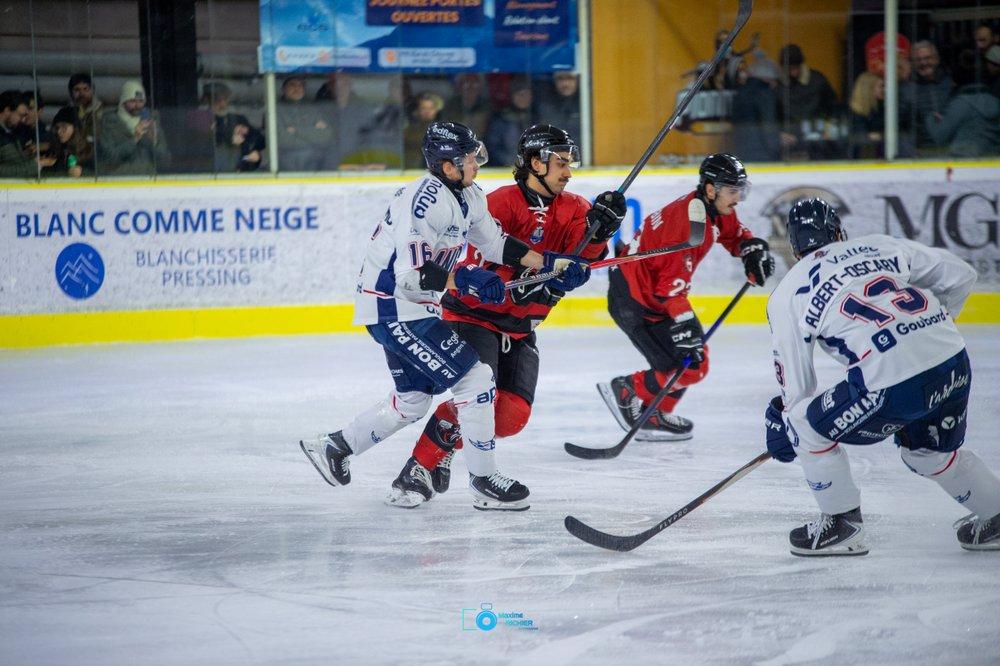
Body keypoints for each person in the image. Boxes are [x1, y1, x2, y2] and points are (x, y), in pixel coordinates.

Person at [299, 121, 591, 511]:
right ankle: (483, 481)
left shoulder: (469, 195)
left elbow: (497, 244)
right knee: (476, 380)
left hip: (413, 308)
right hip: (394, 308)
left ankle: (334, 447)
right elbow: (409, 276)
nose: (477, 164)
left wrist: (551, 263)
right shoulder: (423, 201)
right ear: (448, 165)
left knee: (413, 401)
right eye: (470, 159)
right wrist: (465, 278)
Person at [384, 124, 626, 507]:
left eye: (570, 163)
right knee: (479, 400)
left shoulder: (577, 208)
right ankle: (417, 469)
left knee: (511, 417)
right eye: (561, 163)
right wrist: (525, 278)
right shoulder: (499, 203)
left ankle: (445, 446)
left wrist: (599, 233)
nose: (568, 172)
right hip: (474, 318)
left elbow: (580, 261)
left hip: (521, 327)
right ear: (535, 163)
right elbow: (472, 261)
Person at [763, 198, 1000, 555]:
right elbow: (961, 274)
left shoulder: (787, 293)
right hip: (952, 359)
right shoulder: (879, 244)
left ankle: (842, 524)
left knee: (801, 422)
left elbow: (798, 389)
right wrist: (930, 328)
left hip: (894, 382)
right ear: (839, 233)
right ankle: (996, 515)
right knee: (927, 453)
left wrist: (788, 430)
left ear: (794, 249)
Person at [598, 154, 774, 441]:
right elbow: (670, 289)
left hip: (647, 293)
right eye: (733, 191)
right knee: (689, 365)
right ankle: (628, 388)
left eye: (740, 190)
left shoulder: (708, 207)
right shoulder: (688, 229)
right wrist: (686, 324)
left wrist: (750, 249)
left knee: (693, 361)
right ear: (711, 189)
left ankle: (654, 414)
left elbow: (733, 234)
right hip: (634, 300)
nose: (738, 198)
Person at [925, 50, 1000, 157]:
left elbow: (939, 137)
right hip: (992, 162)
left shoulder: (961, 104)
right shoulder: (995, 103)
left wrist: (931, 118)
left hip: (964, 161)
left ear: (957, 80)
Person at [776, 43, 840, 157]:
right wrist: (779, 133)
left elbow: (834, 107)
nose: (793, 72)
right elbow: (775, 115)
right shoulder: (779, 87)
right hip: (791, 141)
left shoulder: (818, 81)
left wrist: (829, 129)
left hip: (818, 139)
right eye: (789, 69)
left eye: (796, 68)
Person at [97, 79, 170, 175]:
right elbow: (109, 159)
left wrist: (154, 142)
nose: (137, 105)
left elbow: (165, 162)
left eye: (141, 101)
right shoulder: (109, 123)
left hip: (148, 180)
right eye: (132, 101)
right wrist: (134, 139)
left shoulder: (151, 121)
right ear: (123, 101)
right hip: (119, 180)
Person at [731, 53, 782, 162]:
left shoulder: (739, 93)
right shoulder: (765, 93)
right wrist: (777, 142)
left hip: (742, 153)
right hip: (764, 155)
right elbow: (768, 125)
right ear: (770, 78)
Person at [908, 41, 954, 153]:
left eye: (927, 58)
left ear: (937, 59)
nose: (923, 63)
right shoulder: (908, 88)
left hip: (952, 148)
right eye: (918, 60)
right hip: (921, 151)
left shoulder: (950, 83)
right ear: (913, 63)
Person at [485, 76, 534, 167]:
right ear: (512, 96)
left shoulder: (536, 118)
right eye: (520, 94)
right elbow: (492, 147)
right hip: (505, 168)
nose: (523, 98)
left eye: (527, 94)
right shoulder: (501, 119)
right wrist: (510, 161)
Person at [44, 106, 89, 177]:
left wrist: (82, 172)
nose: (59, 131)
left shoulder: (89, 150)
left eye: (64, 127)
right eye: (57, 127)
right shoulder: (54, 150)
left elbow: (102, 171)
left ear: (75, 128)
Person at [536, 72, 581, 141]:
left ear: (578, 80)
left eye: (570, 78)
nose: (565, 83)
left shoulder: (587, 104)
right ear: (554, 81)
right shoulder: (546, 106)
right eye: (560, 78)